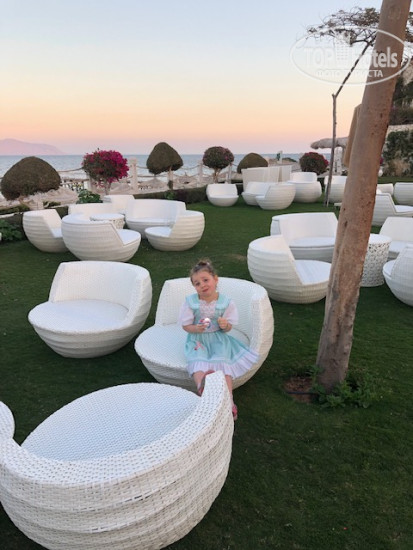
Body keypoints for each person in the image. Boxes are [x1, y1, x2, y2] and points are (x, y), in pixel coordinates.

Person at [178, 258, 258, 420]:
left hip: (219, 339)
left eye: (205, 280)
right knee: (197, 360)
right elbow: (186, 326)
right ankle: (203, 389)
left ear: (215, 279)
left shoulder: (225, 302)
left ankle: (229, 402)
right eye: (197, 283)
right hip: (198, 339)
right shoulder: (191, 302)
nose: (202, 285)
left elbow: (228, 328)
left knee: (223, 364)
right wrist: (196, 328)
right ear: (194, 287)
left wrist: (225, 325)